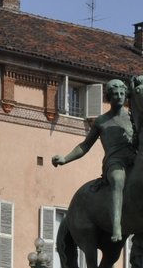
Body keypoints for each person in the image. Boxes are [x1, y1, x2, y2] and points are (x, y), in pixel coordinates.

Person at [51, 77, 135, 244]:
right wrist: (65, 159)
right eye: (115, 94)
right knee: (118, 180)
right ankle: (117, 225)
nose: (119, 96)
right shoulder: (101, 121)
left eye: (122, 93)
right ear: (109, 97)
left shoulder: (133, 118)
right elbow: (85, 146)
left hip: (134, 159)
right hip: (115, 161)